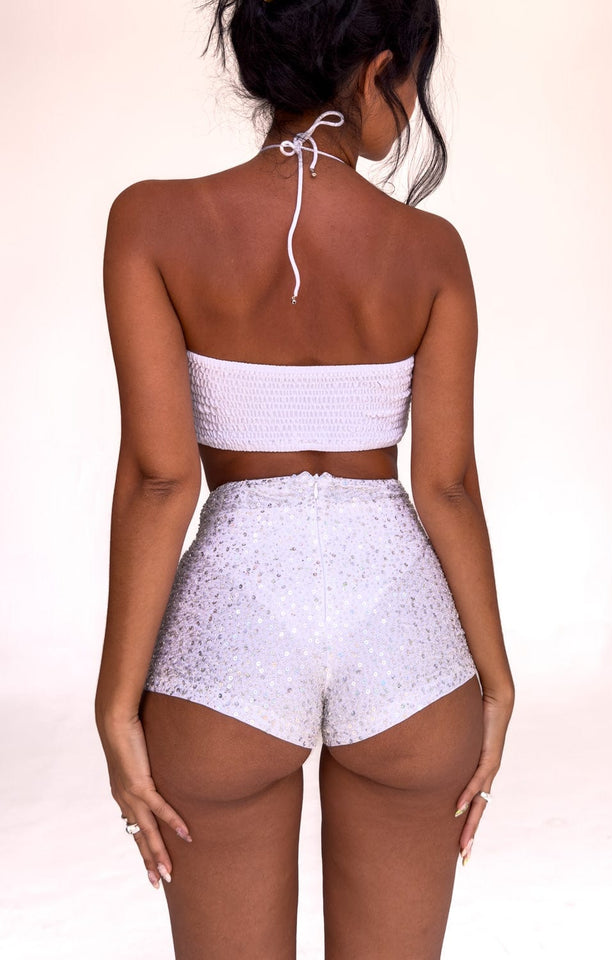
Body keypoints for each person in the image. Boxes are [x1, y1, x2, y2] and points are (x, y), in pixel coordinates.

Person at [95, 0, 515, 957]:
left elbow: (161, 481)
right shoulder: (431, 250)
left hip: (230, 632)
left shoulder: (151, 221)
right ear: (378, 70)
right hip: (403, 631)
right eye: (412, 81)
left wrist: (117, 703)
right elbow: (447, 487)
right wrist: (495, 680)